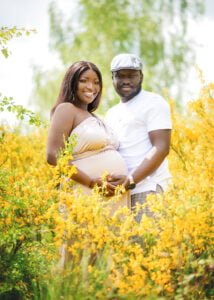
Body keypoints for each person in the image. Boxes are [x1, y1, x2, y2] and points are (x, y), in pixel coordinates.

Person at [46, 60, 129, 211]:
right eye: (84, 81)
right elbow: (53, 156)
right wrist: (91, 182)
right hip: (84, 192)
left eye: (96, 82)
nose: (91, 87)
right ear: (71, 83)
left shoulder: (96, 117)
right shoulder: (67, 109)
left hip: (114, 197)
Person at [105, 53, 172, 222]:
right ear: (112, 78)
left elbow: (161, 148)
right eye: (120, 76)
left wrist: (131, 180)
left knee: (148, 247)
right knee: (124, 248)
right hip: (119, 195)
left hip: (147, 191)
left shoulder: (153, 102)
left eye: (132, 75)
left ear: (141, 76)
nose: (126, 80)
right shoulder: (111, 113)